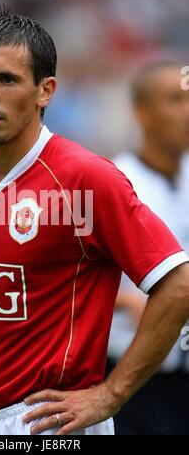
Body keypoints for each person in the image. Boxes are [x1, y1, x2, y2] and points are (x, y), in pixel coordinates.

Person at [0, 8, 189, 436]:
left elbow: (178, 283)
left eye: (7, 79)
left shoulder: (86, 179)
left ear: (45, 91)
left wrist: (110, 395)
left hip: (51, 423)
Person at [109, 61, 189, 435]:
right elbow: (60, 277)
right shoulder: (113, 183)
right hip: (127, 379)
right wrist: (128, 301)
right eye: (174, 100)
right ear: (141, 112)